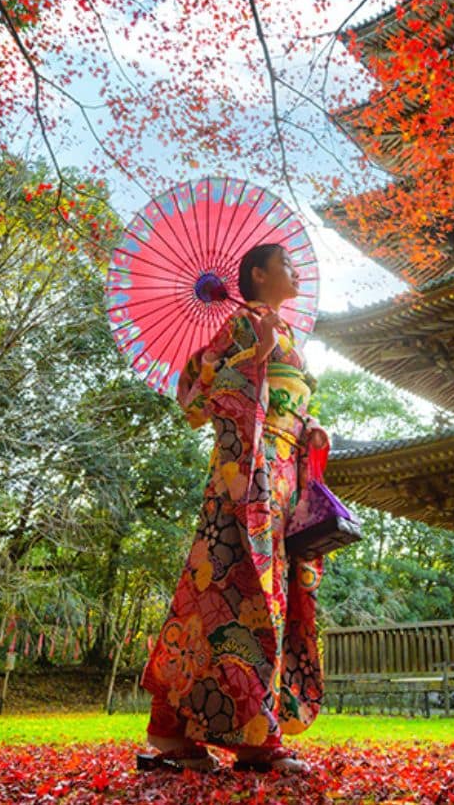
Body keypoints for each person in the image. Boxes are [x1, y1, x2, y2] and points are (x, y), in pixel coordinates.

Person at [137, 242, 329, 775]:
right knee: (242, 596)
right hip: (246, 479)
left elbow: (293, 403)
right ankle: (251, 740)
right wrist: (255, 355)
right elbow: (195, 400)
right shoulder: (246, 327)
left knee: (223, 597)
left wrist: (309, 427)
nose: (294, 272)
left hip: (285, 476)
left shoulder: (284, 331)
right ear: (258, 274)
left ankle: (175, 731)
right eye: (285, 264)